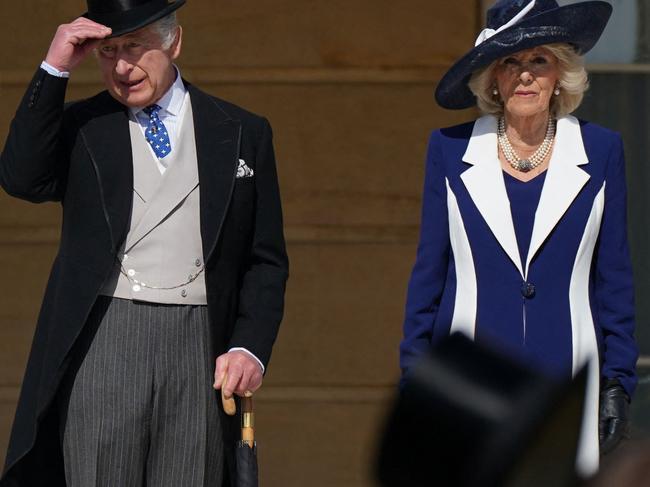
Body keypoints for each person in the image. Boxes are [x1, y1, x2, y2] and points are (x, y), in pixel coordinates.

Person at [0, 0, 288, 485]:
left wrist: (250, 348)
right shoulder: (80, 127)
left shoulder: (242, 131)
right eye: (107, 51)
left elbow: (266, 259)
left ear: (174, 42)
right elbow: (20, 178)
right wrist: (55, 68)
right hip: (104, 337)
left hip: (201, 347)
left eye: (135, 46)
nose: (121, 65)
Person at [400, 0, 637, 477]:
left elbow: (614, 280)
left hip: (567, 374)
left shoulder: (601, 150)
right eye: (510, 61)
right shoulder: (448, 151)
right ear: (492, 77)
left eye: (539, 61)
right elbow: (429, 274)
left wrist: (617, 381)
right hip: (467, 378)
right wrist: (414, 378)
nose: (525, 75)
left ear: (560, 75)